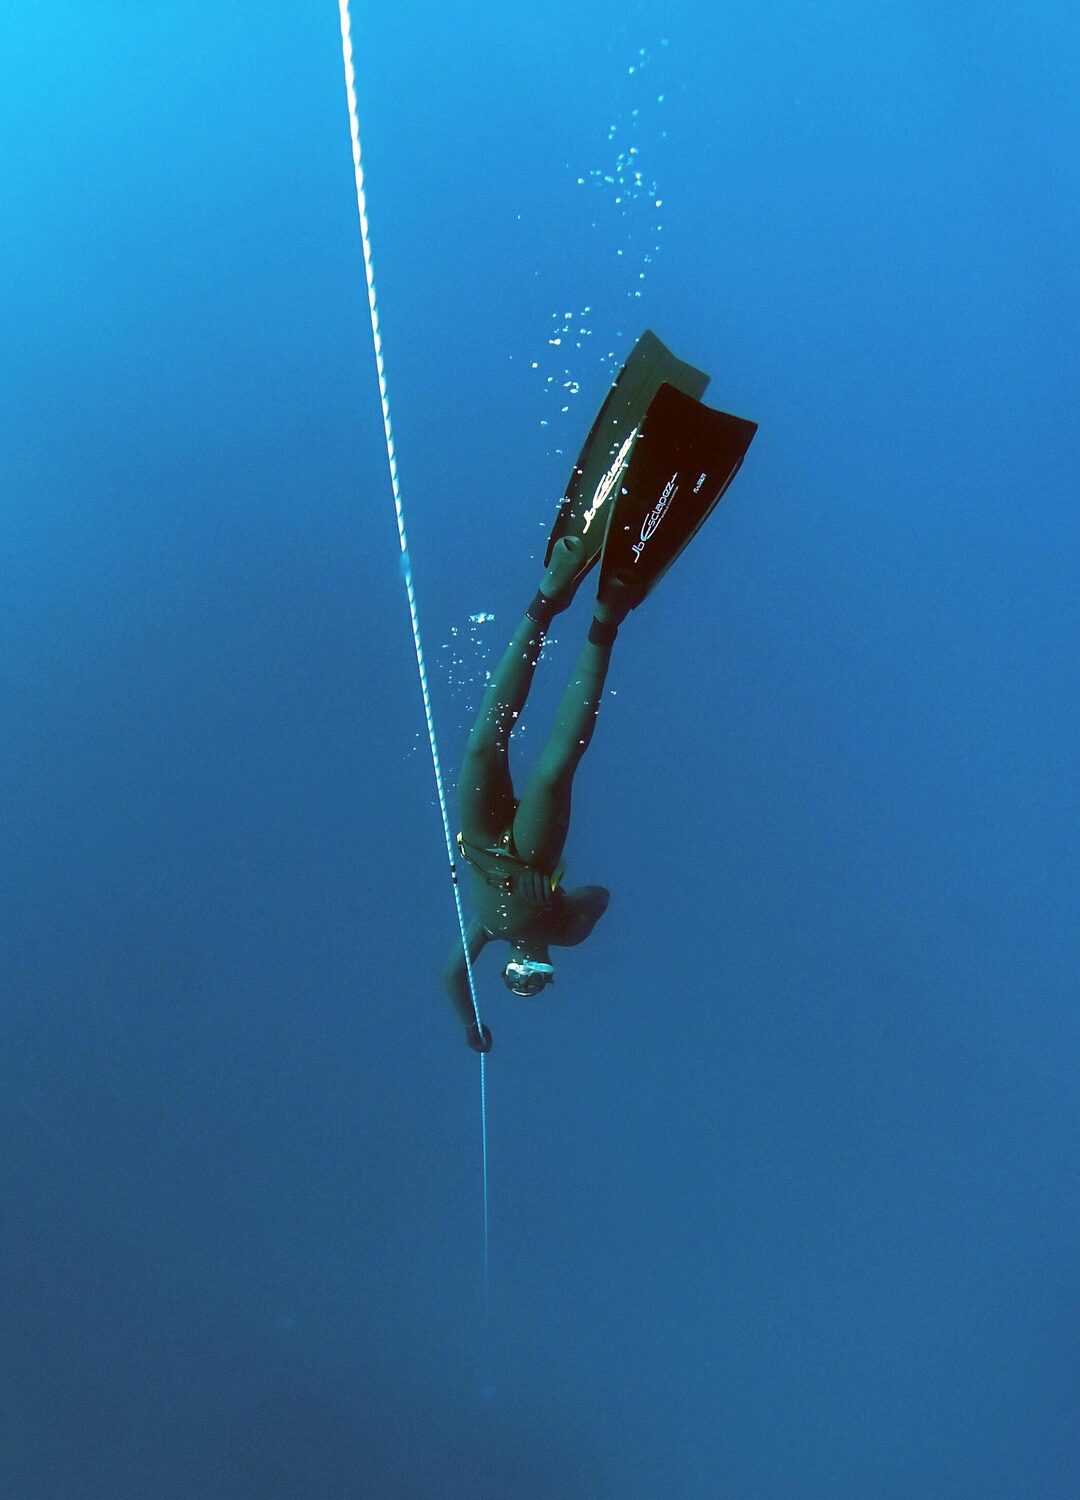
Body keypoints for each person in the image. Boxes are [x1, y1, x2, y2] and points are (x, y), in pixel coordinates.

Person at [442, 331, 758, 1051]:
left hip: (483, 847)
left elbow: (452, 978)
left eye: (515, 982)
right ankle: (603, 621)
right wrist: (550, 907)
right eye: (535, 981)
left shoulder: (486, 932)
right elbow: (600, 899)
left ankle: (546, 600)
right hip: (526, 859)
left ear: (506, 975)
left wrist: (472, 1025)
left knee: (484, 734)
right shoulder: (566, 933)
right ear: (548, 974)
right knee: (556, 762)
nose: (524, 974)